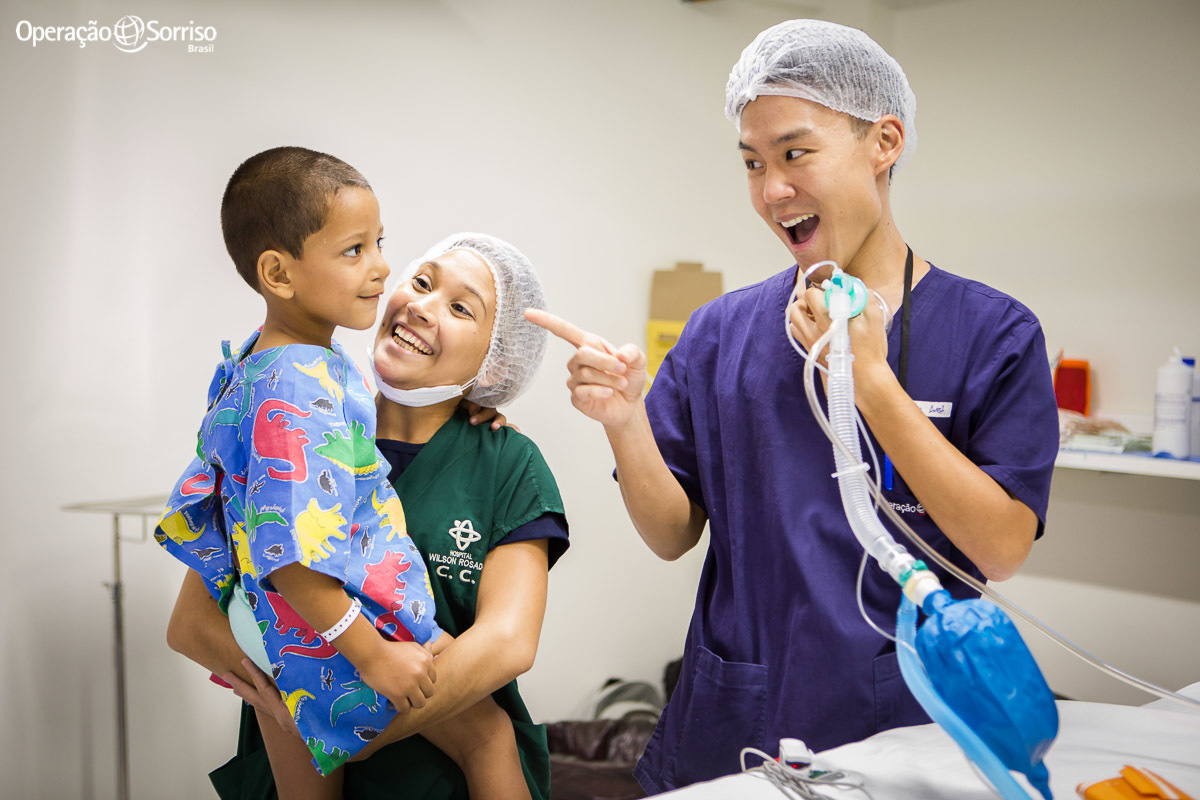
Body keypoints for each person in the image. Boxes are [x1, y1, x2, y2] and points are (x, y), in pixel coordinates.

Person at [527, 18, 1059, 793]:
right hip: (733, 723)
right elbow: (672, 532)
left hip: (906, 726)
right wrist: (624, 423)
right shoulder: (721, 332)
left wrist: (869, 381)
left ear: (885, 142)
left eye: (794, 153)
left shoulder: (993, 332)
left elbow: (1002, 547)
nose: (773, 190)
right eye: (752, 163)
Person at [156, 149, 524, 798]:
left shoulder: (277, 361)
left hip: (282, 621)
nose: (384, 267)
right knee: (488, 735)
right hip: (320, 622)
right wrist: (374, 654)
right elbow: (288, 553)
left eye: (380, 243)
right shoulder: (299, 391)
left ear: (491, 365)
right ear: (279, 272)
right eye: (355, 250)